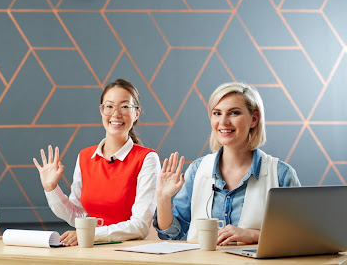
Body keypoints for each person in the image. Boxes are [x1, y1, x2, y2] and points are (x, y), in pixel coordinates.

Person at [154, 82, 300, 245]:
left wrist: (254, 235)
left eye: (234, 113)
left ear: (254, 119)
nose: (223, 122)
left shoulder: (281, 174)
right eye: (217, 113)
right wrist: (163, 198)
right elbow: (173, 234)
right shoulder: (197, 170)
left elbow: (299, 235)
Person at [33, 79, 160, 245]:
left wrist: (90, 234)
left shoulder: (147, 159)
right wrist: (51, 189)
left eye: (124, 106)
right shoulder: (85, 156)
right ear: (101, 111)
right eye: (109, 106)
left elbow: (140, 226)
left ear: (136, 113)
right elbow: (76, 216)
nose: (116, 114)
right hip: (89, 249)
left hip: (129, 252)